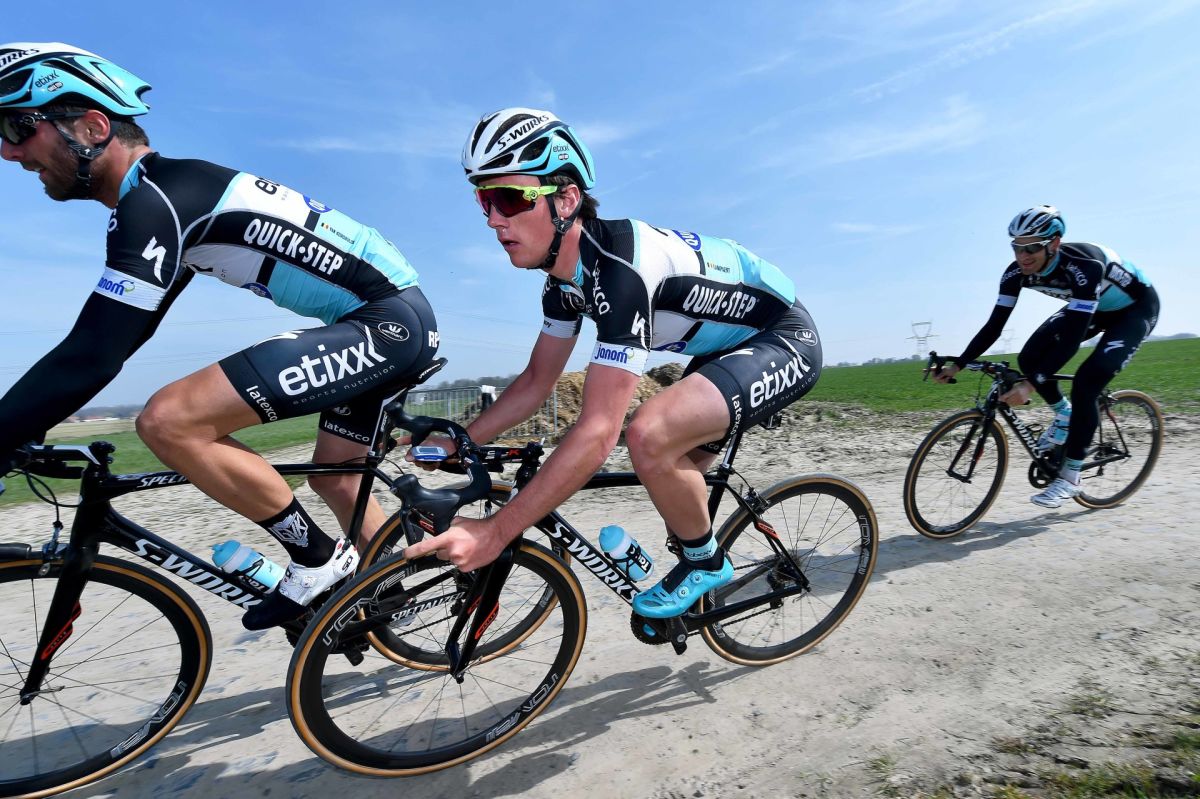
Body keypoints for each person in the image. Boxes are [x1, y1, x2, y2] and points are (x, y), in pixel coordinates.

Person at [0, 43, 440, 629]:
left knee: (169, 421)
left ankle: (317, 560)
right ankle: (395, 601)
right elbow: (117, 342)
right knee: (336, 476)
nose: (8, 151)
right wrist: (24, 423)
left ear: (92, 128)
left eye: (18, 128)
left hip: (385, 324)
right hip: (387, 321)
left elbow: (91, 354)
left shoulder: (156, 203)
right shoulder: (167, 195)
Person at [404, 108, 821, 619]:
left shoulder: (622, 269)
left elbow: (599, 431)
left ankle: (707, 564)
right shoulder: (563, 283)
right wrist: (462, 439)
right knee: (670, 482)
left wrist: (497, 530)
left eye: (509, 198)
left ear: (566, 200)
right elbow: (536, 381)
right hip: (722, 349)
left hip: (782, 338)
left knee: (648, 434)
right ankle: (692, 569)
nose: (493, 219)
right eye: (484, 201)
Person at [934, 205, 1158, 508]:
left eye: (1032, 248)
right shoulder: (1015, 273)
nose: (1023, 256)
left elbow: (1071, 341)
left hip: (1134, 310)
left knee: (1087, 383)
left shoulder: (1085, 267)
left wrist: (1029, 386)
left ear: (1054, 243)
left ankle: (1071, 477)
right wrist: (958, 364)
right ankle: (1065, 415)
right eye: (1017, 247)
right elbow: (994, 326)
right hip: (1095, 307)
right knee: (1030, 358)